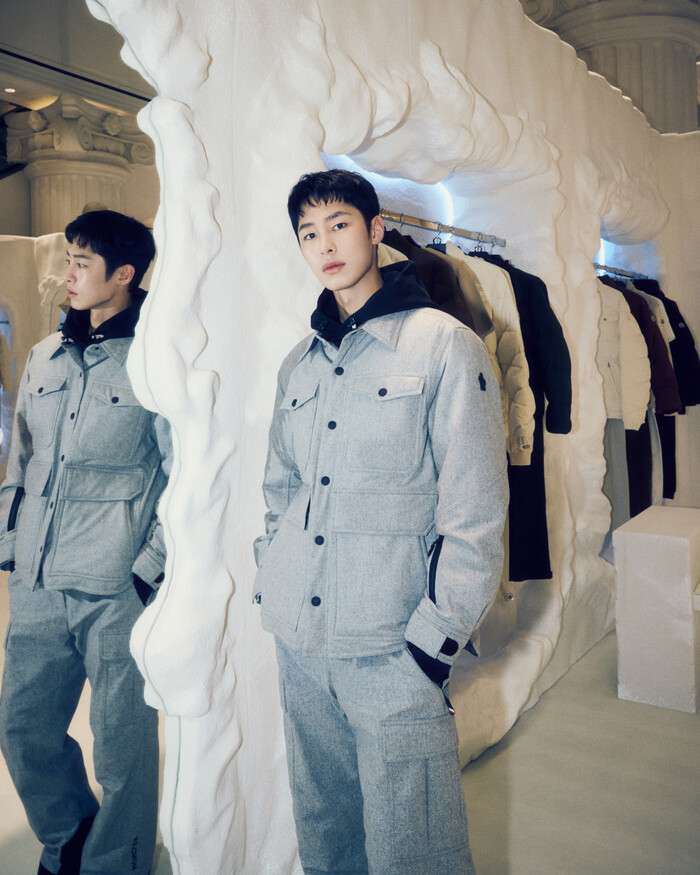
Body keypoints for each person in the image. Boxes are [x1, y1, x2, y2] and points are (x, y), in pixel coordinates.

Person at [254, 170, 508, 874]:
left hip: (393, 646)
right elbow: (280, 490)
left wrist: (434, 641)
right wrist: (272, 573)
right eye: (308, 233)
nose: (324, 245)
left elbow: (476, 510)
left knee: (415, 848)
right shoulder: (299, 364)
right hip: (303, 643)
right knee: (326, 831)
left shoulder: (445, 344)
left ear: (374, 230)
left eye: (338, 225)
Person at [0, 209, 171, 875]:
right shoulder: (44, 354)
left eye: (80, 262)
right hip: (38, 577)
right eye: (66, 258)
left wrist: (148, 567)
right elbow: (21, 458)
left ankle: (118, 864)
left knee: (121, 746)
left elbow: (182, 475)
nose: (65, 273)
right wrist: (10, 541)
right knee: (23, 726)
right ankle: (69, 836)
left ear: (124, 273)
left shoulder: (155, 363)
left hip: (114, 585)